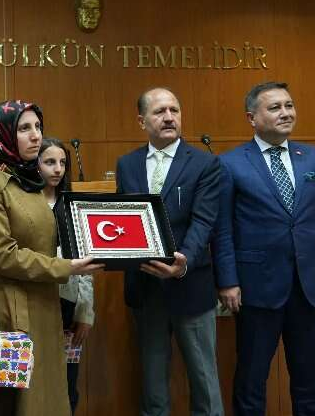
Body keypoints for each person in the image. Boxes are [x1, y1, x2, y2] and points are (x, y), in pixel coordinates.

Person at [213, 82, 315, 416]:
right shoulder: (229, 163)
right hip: (256, 287)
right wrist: (227, 280)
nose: (286, 113)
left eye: (289, 105)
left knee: (311, 379)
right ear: (252, 118)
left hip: (310, 286)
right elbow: (222, 230)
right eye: (275, 107)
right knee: (251, 379)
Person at [0, 100, 103, 416]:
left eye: (38, 127)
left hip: (45, 304)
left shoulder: (31, 181)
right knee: (12, 402)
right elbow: (2, 255)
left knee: (49, 398)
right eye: (24, 128)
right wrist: (66, 267)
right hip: (10, 310)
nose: (36, 135)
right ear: (2, 134)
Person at [115, 87, 223, 416]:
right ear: (142, 121)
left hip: (190, 285)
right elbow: (122, 219)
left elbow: (204, 221)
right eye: (160, 111)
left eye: (174, 110)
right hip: (146, 287)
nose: (168, 117)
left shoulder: (205, 163)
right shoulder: (127, 164)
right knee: (153, 385)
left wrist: (183, 262)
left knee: (204, 381)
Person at [38, 138, 95, 414]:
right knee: (36, 383)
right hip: (35, 302)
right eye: (50, 162)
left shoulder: (72, 205)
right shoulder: (25, 204)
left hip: (68, 304)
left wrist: (85, 312)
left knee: (67, 385)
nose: (58, 169)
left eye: (63, 163)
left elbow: (87, 266)